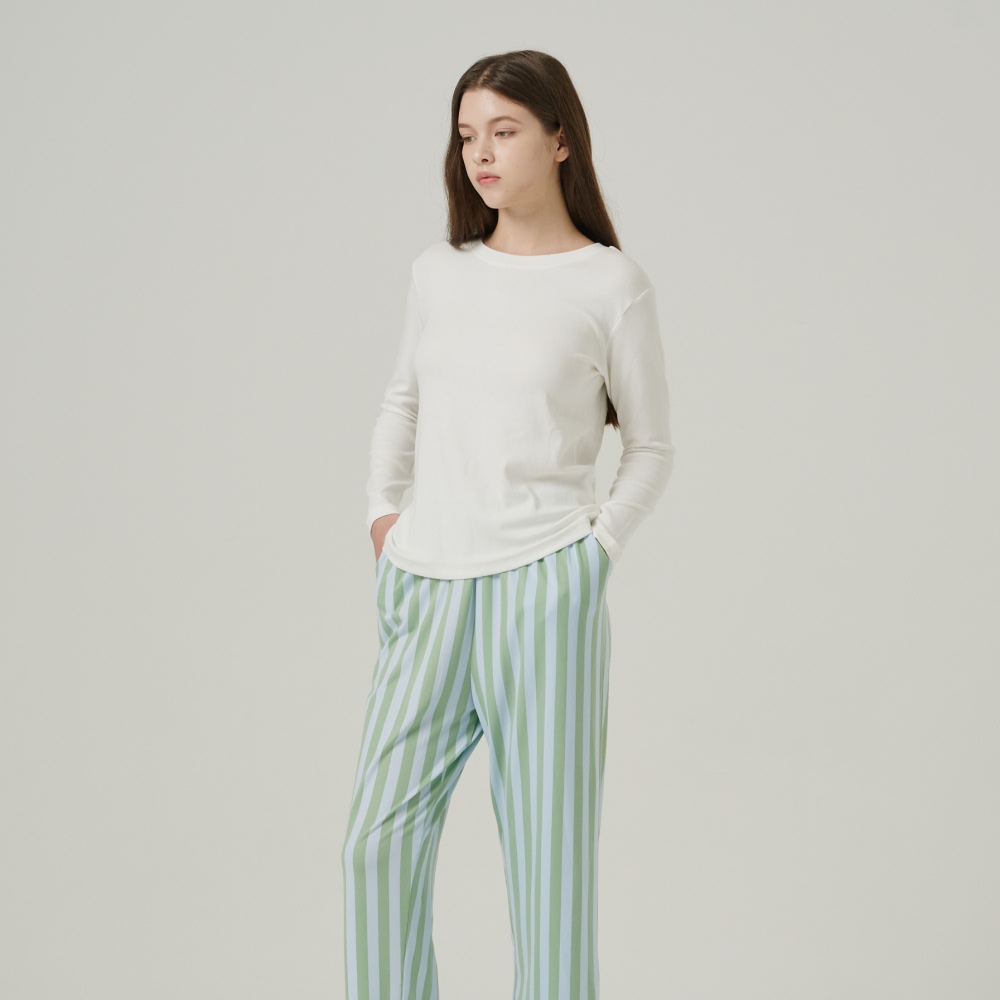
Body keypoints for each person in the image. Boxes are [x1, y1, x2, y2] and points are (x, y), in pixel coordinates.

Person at [341, 49, 676, 1000]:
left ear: (560, 139)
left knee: (548, 875)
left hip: (544, 590)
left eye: (504, 130)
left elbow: (651, 446)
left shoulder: (611, 284)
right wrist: (383, 520)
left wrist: (594, 552)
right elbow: (401, 403)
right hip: (425, 584)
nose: (480, 153)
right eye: (466, 136)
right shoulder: (438, 273)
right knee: (374, 847)